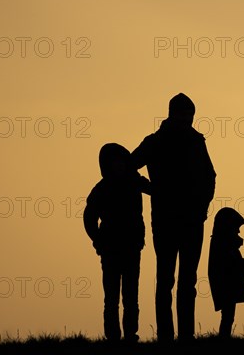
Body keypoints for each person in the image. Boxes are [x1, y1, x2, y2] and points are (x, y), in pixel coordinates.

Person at [131, 93, 216, 343]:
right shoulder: (157, 142)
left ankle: (182, 336)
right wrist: (148, 187)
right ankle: (171, 337)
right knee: (170, 279)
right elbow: (128, 166)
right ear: (174, 114)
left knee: (181, 280)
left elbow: (210, 176)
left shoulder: (193, 141)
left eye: (189, 115)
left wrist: (202, 206)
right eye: (184, 114)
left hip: (186, 219)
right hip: (172, 220)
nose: (186, 119)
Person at [83, 142, 151, 342]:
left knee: (131, 296)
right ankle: (112, 336)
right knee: (111, 298)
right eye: (115, 163)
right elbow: (89, 217)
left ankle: (131, 334)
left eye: (122, 162)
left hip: (132, 247)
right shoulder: (101, 189)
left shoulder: (134, 182)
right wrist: (97, 240)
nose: (119, 166)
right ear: (106, 165)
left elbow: (156, 190)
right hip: (110, 249)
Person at [208, 207, 244, 338]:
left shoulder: (224, 244)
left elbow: (234, 262)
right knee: (228, 315)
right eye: (235, 227)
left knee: (228, 315)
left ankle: (224, 337)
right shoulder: (223, 245)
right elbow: (231, 264)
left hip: (226, 284)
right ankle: (224, 338)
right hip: (225, 285)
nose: (238, 231)